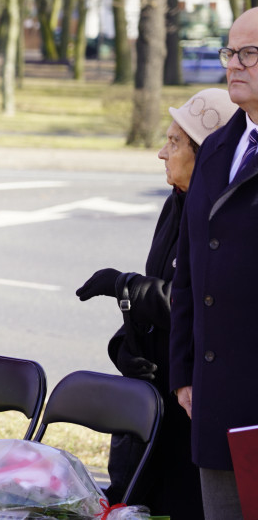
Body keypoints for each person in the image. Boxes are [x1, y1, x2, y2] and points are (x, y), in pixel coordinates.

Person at [77, 88, 236, 517]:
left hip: (197, 393)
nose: (161, 153)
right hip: (162, 386)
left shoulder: (224, 215)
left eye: (174, 142)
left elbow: (201, 301)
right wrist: (131, 348)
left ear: (206, 154)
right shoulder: (177, 202)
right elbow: (168, 289)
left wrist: (127, 286)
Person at [170, 7, 258, 520]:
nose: (234, 64)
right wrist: (184, 372)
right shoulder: (219, 146)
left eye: (250, 53)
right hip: (216, 396)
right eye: (230, 51)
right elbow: (190, 269)